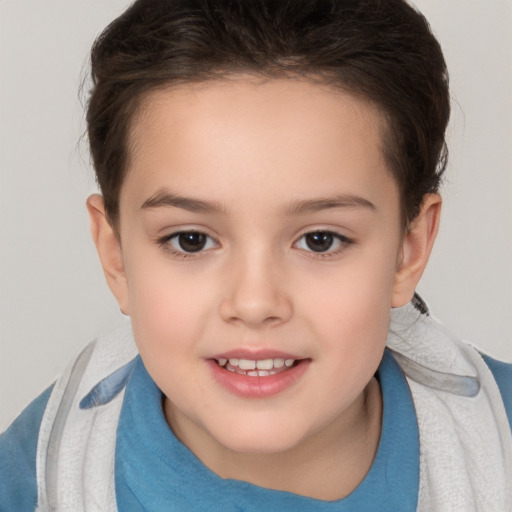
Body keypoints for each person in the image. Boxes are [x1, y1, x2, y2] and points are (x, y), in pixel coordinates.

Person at [1, 0, 511, 510]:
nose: (254, 302)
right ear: (115, 256)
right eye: (191, 240)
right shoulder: (32, 481)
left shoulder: (498, 439)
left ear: (409, 248)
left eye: (320, 240)